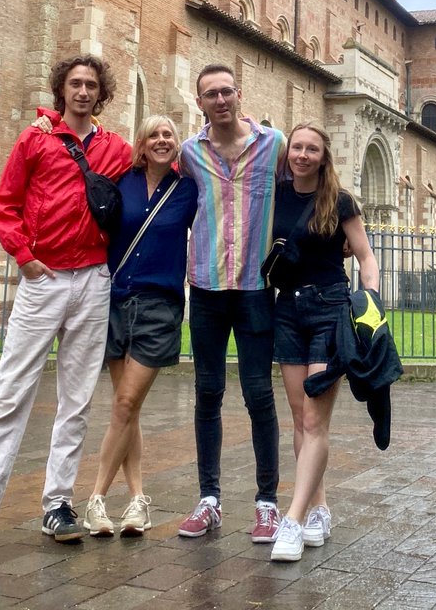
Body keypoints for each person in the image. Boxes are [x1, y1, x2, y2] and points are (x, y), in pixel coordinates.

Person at [0, 55, 133, 554]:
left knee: (77, 400)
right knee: (11, 393)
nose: (84, 91)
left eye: (92, 84)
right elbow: (5, 204)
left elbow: (163, 158)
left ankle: (57, 503)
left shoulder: (115, 148)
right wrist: (23, 258)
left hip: (93, 279)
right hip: (42, 277)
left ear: (102, 93)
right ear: (61, 90)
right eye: (75, 84)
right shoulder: (36, 139)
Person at [177, 64, 286, 543]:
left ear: (239, 95)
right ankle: (209, 500)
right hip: (204, 286)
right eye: (210, 94)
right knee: (207, 392)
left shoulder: (275, 144)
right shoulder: (189, 153)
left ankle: (267, 504)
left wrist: (344, 235)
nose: (220, 100)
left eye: (226, 91)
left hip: (256, 287)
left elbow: (308, 186)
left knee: (259, 395)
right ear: (199, 102)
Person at [269, 122, 380, 563]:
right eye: (296, 147)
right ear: (288, 152)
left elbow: (366, 255)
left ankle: (292, 519)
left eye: (311, 149)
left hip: (330, 310)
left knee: (315, 419)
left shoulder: (340, 200)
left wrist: (370, 305)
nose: (302, 155)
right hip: (287, 312)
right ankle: (319, 508)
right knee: (299, 419)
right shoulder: (275, 195)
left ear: (323, 156)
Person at [83, 115, 197, 538]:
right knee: (124, 408)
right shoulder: (122, 181)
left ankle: (95, 498)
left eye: (169, 135)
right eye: (154, 135)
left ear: (176, 145)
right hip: (114, 302)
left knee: (127, 402)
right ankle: (137, 500)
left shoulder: (189, 189)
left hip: (158, 306)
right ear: (142, 144)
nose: (162, 140)